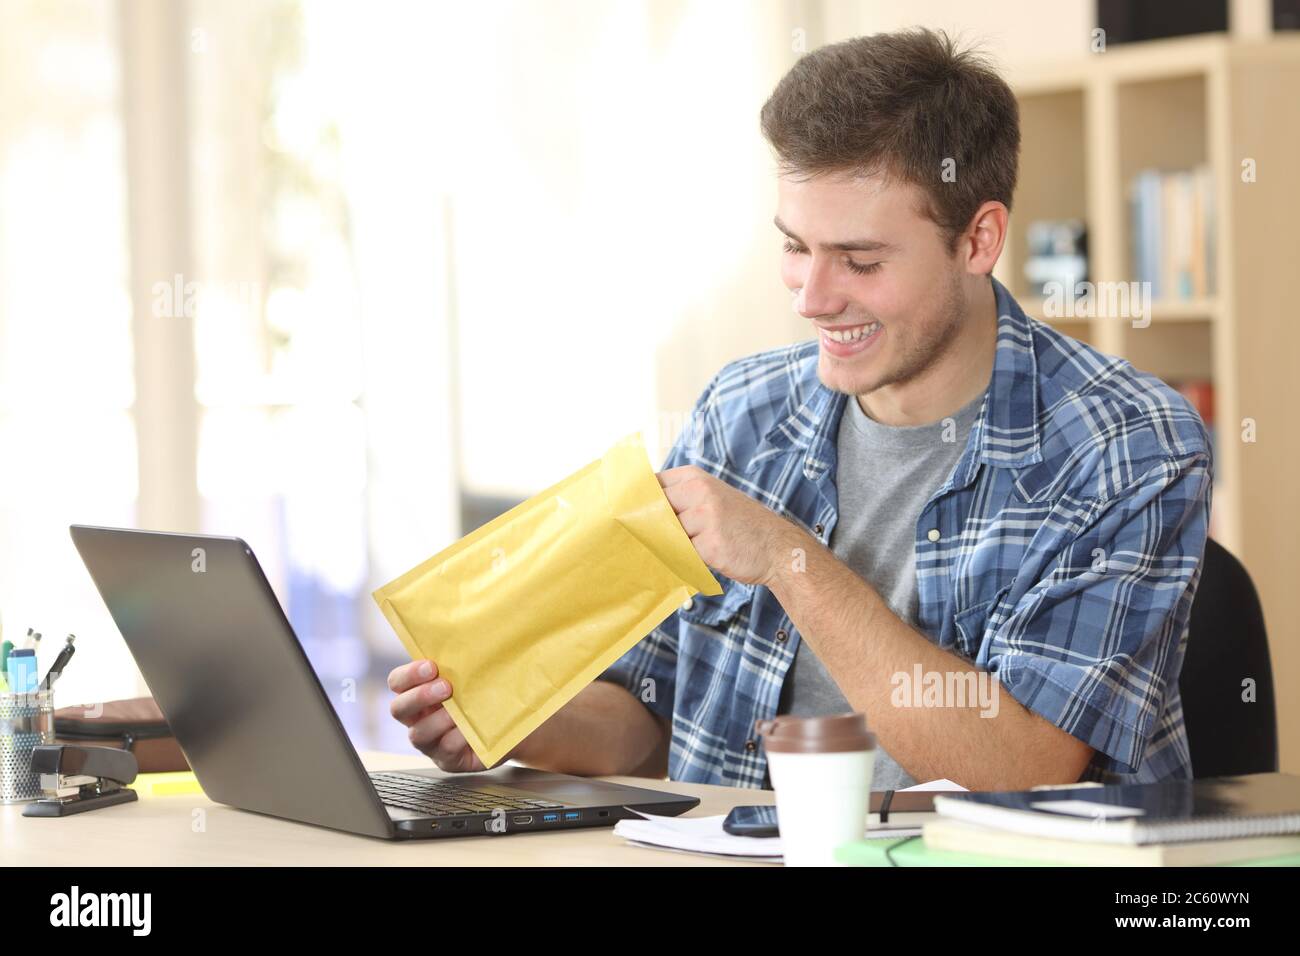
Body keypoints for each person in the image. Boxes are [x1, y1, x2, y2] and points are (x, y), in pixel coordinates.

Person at [388, 28, 1211, 791]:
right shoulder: (742, 411)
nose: (812, 298)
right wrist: (513, 720)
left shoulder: (1126, 445)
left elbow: (1024, 762)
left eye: (859, 259)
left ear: (979, 240)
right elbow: (653, 720)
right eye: (794, 246)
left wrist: (788, 559)